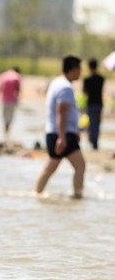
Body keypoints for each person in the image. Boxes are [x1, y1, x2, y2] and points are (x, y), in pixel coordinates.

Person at [36, 55, 85, 198]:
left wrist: (74, 131)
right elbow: (61, 112)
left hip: (56, 132)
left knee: (49, 168)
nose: (80, 73)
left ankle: (36, 194)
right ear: (74, 70)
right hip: (62, 134)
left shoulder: (57, 82)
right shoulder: (65, 88)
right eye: (80, 70)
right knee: (80, 166)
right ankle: (78, 197)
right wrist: (63, 137)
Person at [83, 58, 104, 150]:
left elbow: (84, 92)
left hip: (91, 104)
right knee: (97, 124)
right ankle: (95, 142)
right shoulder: (101, 79)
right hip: (99, 103)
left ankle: (93, 143)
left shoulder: (87, 80)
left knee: (92, 124)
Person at [0, 67, 21, 138]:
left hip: (3, 99)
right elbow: (18, 89)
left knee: (4, 117)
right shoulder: (17, 77)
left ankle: (4, 133)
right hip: (12, 100)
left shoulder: (4, 75)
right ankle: (7, 134)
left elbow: (1, 87)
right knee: (10, 117)